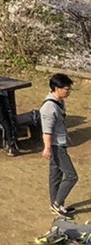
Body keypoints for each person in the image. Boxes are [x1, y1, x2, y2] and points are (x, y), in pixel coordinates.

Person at [42, 73, 77, 218]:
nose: (68, 91)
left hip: (60, 143)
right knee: (71, 176)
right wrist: (47, 148)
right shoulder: (49, 108)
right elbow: (47, 130)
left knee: (55, 175)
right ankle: (57, 203)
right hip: (56, 146)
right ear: (57, 88)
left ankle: (55, 204)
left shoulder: (59, 101)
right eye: (66, 89)